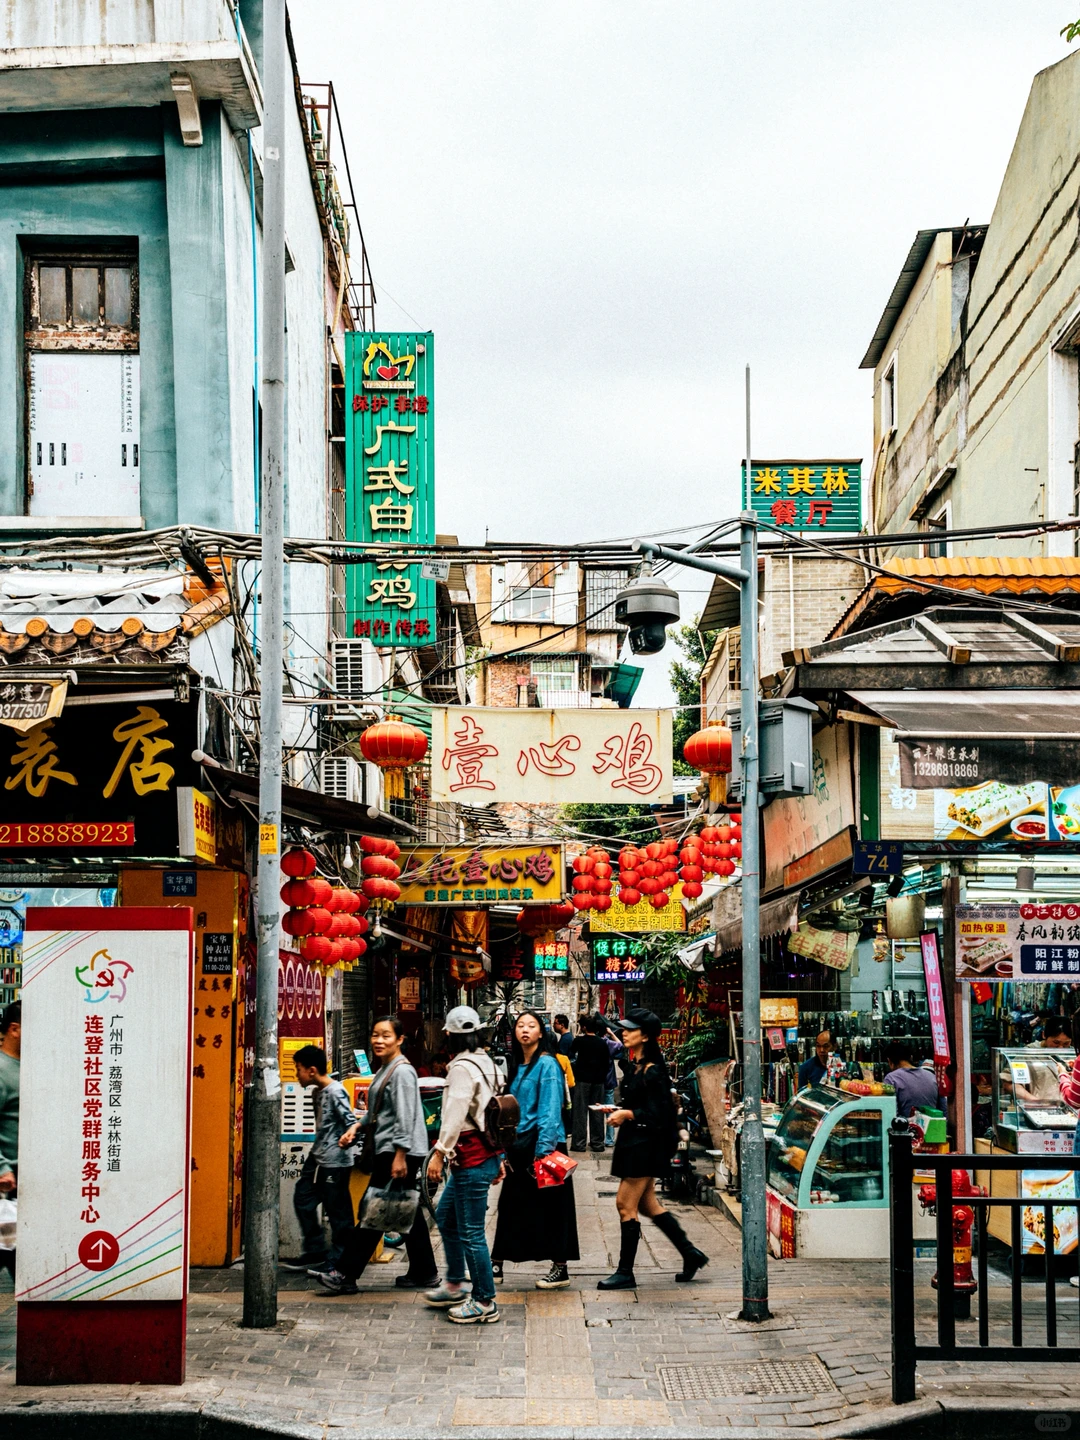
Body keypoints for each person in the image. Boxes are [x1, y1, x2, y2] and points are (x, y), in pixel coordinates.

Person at [318, 1016, 438, 1295]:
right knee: (405, 1209)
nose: (379, 1040)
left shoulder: (403, 1071)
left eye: (386, 1035)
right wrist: (356, 1127)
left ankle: (345, 1274)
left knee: (375, 1212)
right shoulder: (386, 1068)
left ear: (399, 1040)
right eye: (375, 1035)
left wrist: (400, 1155)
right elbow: (376, 1111)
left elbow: (406, 1116)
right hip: (392, 1148)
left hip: (398, 1151)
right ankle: (425, 1271)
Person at [599, 1007, 708, 1290]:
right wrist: (619, 1110)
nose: (624, 1032)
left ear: (645, 1036)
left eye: (630, 1029)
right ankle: (691, 1254)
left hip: (645, 1146)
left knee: (625, 1204)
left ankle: (625, 1272)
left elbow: (658, 1116)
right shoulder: (637, 1066)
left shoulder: (654, 1072)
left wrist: (628, 1115)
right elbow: (641, 1105)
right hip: (636, 1143)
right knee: (647, 1205)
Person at [425, 1006, 503, 1324]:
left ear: (448, 1035)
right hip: (484, 1156)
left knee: (471, 1232)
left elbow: (456, 1114)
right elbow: (496, 1114)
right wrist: (500, 1158)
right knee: (446, 1217)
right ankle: (456, 1282)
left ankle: (484, 1300)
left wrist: (439, 1153)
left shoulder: (460, 1068)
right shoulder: (487, 1062)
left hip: (470, 1159)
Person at [492, 1011, 580, 1290]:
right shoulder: (517, 1065)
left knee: (554, 1208)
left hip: (544, 1146)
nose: (525, 1030)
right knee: (509, 1205)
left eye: (532, 1026)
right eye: (520, 1026)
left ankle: (560, 1267)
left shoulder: (548, 1065)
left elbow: (549, 1111)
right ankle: (497, 1262)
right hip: (518, 1146)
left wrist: (542, 1153)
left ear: (541, 1033)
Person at [282, 1045, 359, 1276]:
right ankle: (315, 1251)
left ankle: (339, 1260)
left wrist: (349, 1137)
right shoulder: (318, 1092)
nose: (297, 1074)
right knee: (303, 1198)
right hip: (317, 1159)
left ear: (312, 1070)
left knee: (338, 1213)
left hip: (335, 1162)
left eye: (299, 1069)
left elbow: (350, 1121)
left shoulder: (336, 1092)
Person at [569, 1014, 611, 1152]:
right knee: (597, 1112)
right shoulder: (602, 1043)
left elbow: (570, 1055)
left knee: (580, 1113)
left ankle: (579, 1143)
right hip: (599, 1081)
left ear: (584, 1027)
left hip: (582, 1080)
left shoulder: (579, 1041)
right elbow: (607, 1063)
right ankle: (597, 1143)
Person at [0, 1001, 19, 1281]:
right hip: (7, 1184)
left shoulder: (27, 1066)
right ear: (15, 1029)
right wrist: (2, 1167)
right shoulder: (2, 1070)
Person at [883, 1044, 940, 1119]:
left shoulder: (891, 1079)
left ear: (889, 1061)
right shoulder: (932, 1076)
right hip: (933, 1128)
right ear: (910, 1057)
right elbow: (943, 1109)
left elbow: (891, 1113)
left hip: (905, 1129)